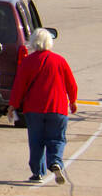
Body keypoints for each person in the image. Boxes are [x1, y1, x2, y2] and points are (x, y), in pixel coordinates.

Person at [8, 28, 78, 183]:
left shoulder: (27, 61)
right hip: (57, 107)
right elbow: (71, 84)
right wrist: (73, 101)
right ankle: (55, 162)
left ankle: (37, 172)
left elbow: (19, 85)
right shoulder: (60, 60)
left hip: (34, 109)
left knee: (36, 141)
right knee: (57, 139)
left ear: (33, 42)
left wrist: (13, 105)